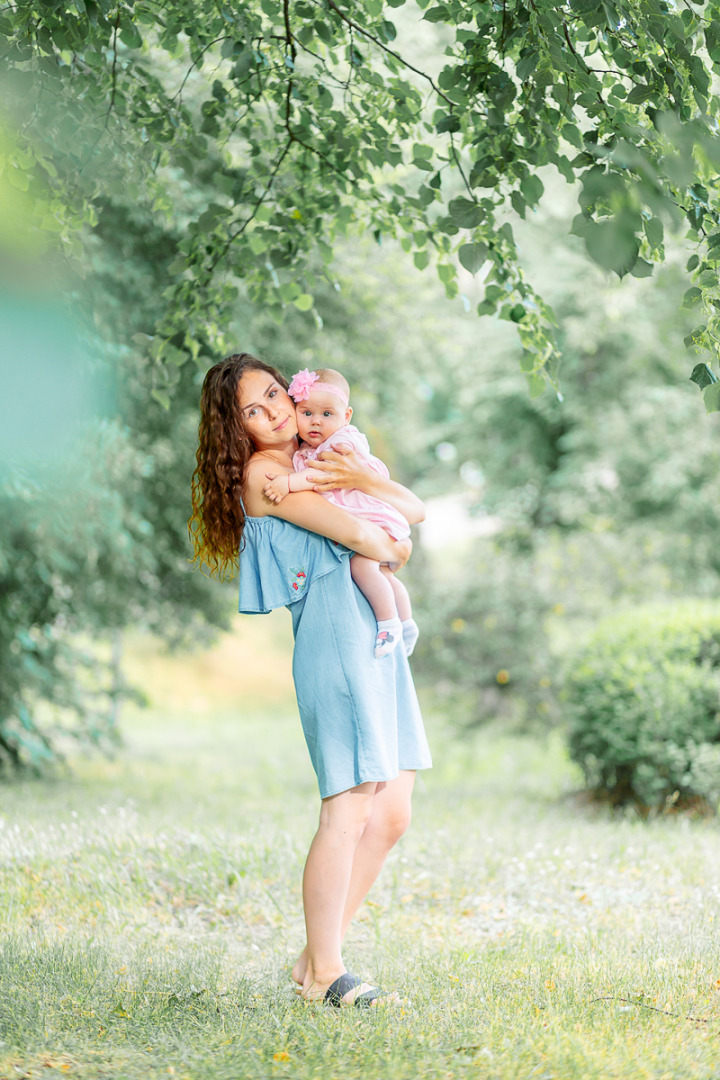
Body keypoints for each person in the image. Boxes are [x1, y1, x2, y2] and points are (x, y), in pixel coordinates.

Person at [189, 353, 432, 1008]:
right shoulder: (266, 471)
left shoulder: (326, 456)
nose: (272, 411)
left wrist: (377, 504)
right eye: (253, 409)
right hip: (338, 638)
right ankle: (327, 971)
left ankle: (311, 962)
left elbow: (412, 516)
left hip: (374, 635)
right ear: (236, 429)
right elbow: (372, 537)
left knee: (392, 811)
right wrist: (386, 530)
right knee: (351, 803)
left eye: (275, 394)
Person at [262, 366, 419, 660]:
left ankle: (388, 624)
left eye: (327, 414)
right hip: (360, 517)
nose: (316, 422)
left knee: (363, 567)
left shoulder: (341, 444)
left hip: (369, 516)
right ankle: (407, 622)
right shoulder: (308, 448)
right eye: (306, 413)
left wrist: (287, 483)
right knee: (382, 572)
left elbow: (319, 477)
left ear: (346, 417)